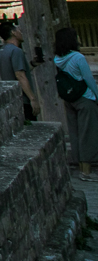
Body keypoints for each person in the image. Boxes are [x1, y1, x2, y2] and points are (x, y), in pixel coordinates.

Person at [53, 27, 98, 178]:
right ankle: (86, 171)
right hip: (85, 98)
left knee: (75, 133)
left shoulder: (58, 59)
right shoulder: (78, 57)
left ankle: (80, 167)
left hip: (70, 99)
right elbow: (89, 79)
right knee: (88, 133)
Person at [0, 21, 39, 121]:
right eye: (19, 30)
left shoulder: (1, 51)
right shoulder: (16, 51)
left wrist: (32, 64)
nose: (21, 32)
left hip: (11, 98)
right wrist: (32, 98)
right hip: (22, 99)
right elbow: (20, 75)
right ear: (13, 32)